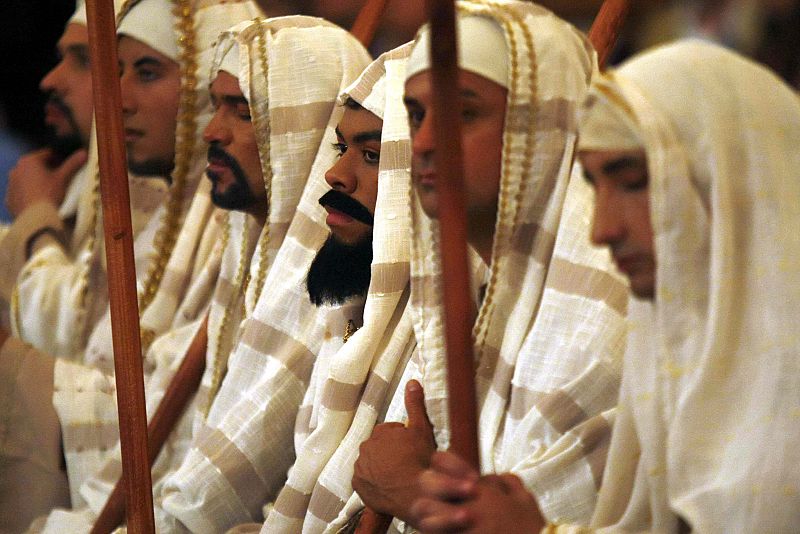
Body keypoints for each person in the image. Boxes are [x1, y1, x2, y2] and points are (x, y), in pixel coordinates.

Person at [411, 39, 800, 533]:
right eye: (594, 186)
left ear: (731, 185)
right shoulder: (677, 344)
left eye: (634, 182)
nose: (602, 230)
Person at [29, 14, 370, 533]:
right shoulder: (254, 256)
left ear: (303, 131)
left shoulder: (320, 293)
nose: (212, 131)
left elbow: (209, 502)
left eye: (242, 111)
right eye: (215, 106)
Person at [351, 1, 629, 530]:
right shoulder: (475, 293)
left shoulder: (602, 315)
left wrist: (410, 489)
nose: (426, 143)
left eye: (463, 113)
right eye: (416, 115)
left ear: (541, 128)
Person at [0, 1, 262, 531]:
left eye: (146, 72)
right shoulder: (136, 204)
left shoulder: (236, 237)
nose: (113, 98)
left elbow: (177, 429)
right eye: (112, 70)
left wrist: (36, 227)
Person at [0, 0, 167, 356]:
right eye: (116, 69)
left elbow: (86, 345)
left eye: (84, 60)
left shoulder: (163, 199)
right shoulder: (73, 183)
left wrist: (35, 216)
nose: (50, 80)